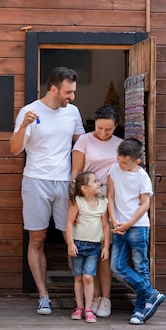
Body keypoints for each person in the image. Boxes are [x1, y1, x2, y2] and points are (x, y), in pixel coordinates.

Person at [10, 66, 85, 315]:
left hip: (65, 183)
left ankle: (80, 299)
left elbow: (82, 146)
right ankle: (43, 295)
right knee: (37, 239)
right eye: (68, 92)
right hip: (35, 181)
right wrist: (23, 127)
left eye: (73, 92)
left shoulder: (72, 112)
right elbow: (14, 150)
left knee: (72, 239)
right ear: (53, 88)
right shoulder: (29, 112)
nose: (72, 97)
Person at [71, 105, 122, 317]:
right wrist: (74, 201)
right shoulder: (84, 140)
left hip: (109, 199)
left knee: (104, 251)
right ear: (95, 123)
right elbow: (75, 172)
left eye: (108, 130)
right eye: (100, 128)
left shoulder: (120, 145)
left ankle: (106, 299)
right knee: (89, 246)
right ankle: (93, 298)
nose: (103, 133)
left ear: (116, 127)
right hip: (87, 199)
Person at [107, 138, 165, 325]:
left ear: (136, 161)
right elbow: (109, 196)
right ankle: (150, 293)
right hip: (118, 226)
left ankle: (140, 310)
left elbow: (145, 204)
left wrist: (129, 223)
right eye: (119, 159)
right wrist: (114, 220)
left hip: (138, 226)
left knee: (141, 267)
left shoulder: (142, 177)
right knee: (116, 265)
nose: (120, 164)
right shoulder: (114, 170)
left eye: (124, 162)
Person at [65, 171, 110, 323]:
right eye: (95, 181)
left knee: (88, 277)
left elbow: (105, 226)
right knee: (78, 278)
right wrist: (70, 243)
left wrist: (105, 247)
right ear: (84, 188)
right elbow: (70, 222)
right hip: (78, 245)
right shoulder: (78, 202)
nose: (99, 183)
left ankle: (89, 308)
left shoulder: (103, 203)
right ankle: (79, 307)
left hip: (94, 247)